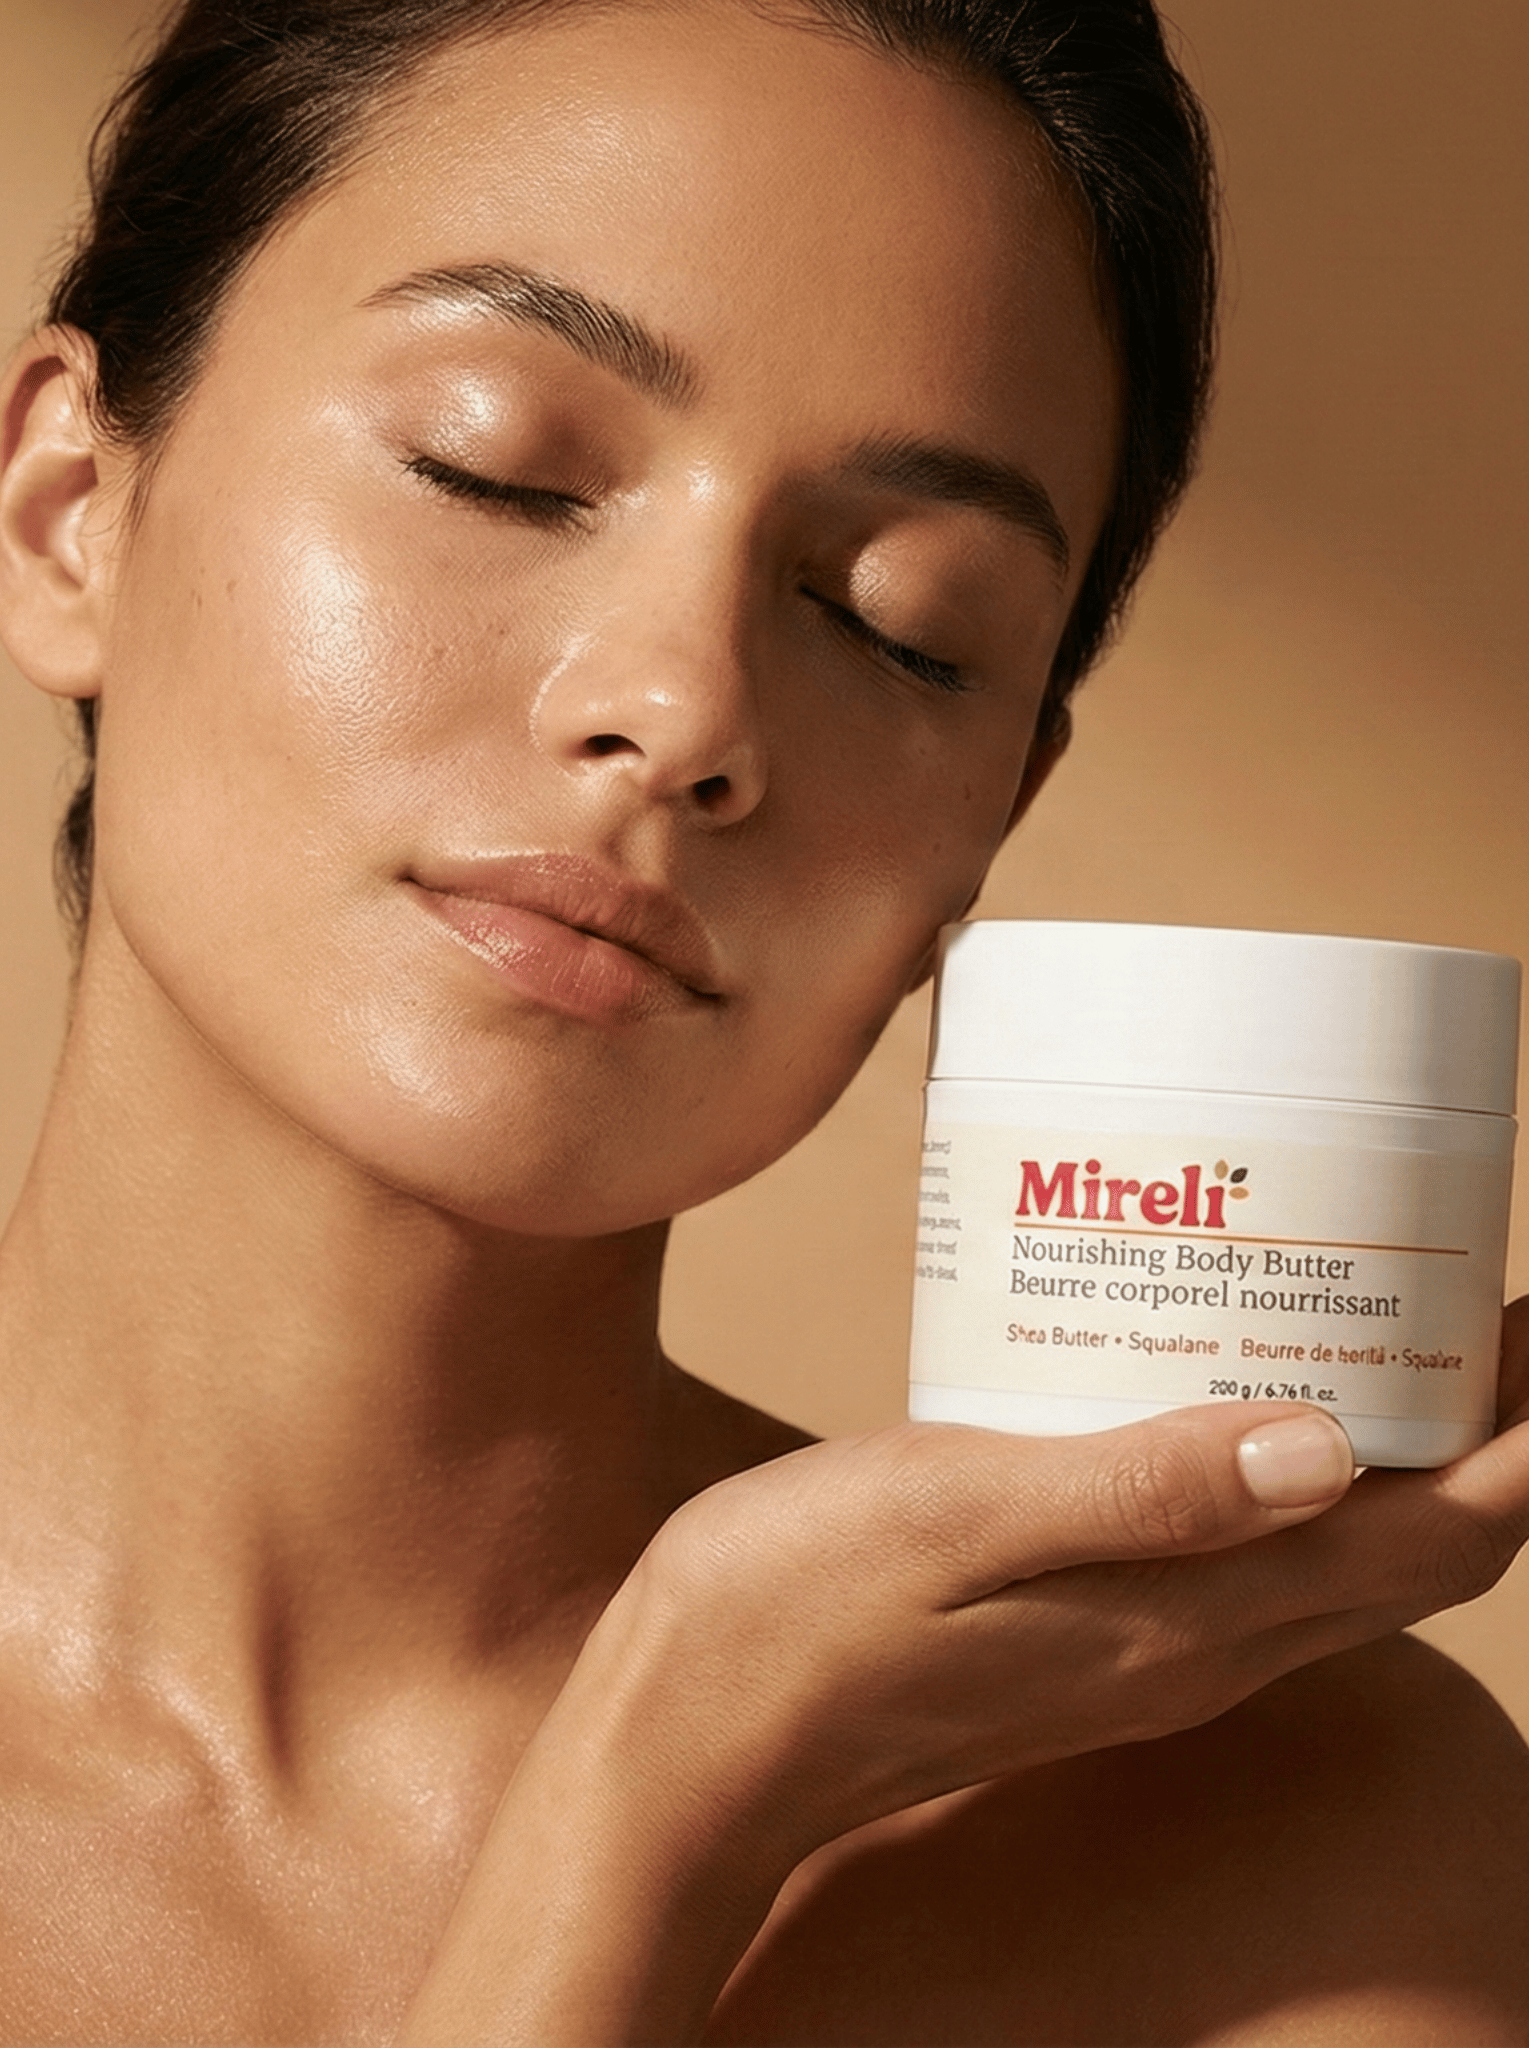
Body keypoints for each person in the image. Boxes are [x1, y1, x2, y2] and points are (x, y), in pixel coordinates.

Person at [1, 0, 1528, 2040]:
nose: (687, 706)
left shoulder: (1305, 1845)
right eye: (499, 466)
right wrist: (656, 1807)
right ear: (66, 509)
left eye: (901, 625)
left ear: (991, 817)